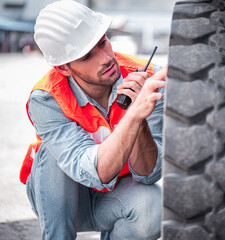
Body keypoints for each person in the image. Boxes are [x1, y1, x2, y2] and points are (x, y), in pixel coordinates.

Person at [19, 1, 166, 239]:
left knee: (152, 207)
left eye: (103, 42)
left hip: (116, 198)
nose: (106, 58)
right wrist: (133, 116)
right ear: (63, 68)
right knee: (50, 153)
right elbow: (97, 172)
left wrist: (138, 118)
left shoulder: (147, 80)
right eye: (87, 56)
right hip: (63, 204)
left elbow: (148, 174)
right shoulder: (47, 99)